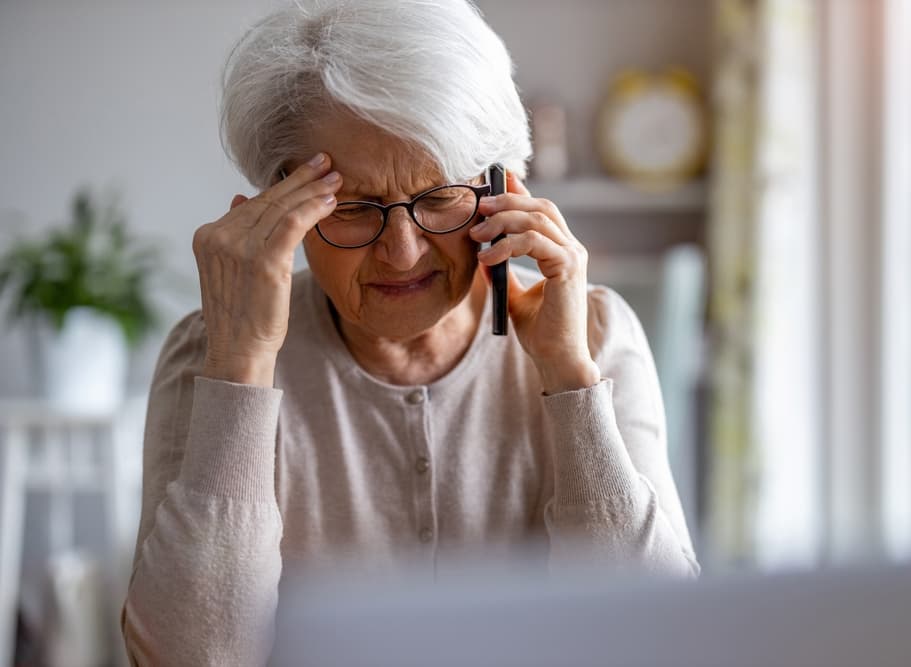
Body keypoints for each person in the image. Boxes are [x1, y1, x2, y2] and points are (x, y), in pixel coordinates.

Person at [121, 0, 699, 663]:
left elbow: (658, 639)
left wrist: (569, 373)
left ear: (499, 189)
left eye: (437, 198)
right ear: (280, 209)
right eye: (354, 206)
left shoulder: (594, 333)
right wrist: (242, 364)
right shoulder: (210, 351)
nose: (402, 251)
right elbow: (188, 655)